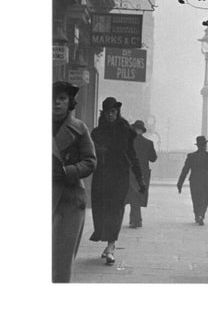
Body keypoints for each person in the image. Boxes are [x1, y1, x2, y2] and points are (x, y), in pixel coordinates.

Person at [90, 97, 146, 265]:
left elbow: (132, 155)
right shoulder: (96, 133)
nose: (110, 115)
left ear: (117, 112)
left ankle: (111, 246)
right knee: (101, 210)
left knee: (115, 210)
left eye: (113, 112)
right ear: (103, 112)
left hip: (119, 176)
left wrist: (140, 178)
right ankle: (107, 241)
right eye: (108, 112)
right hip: (101, 177)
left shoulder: (125, 131)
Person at [52, 81, 96, 283]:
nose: (56, 103)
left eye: (62, 99)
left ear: (70, 102)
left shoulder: (79, 128)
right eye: (52, 99)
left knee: (61, 257)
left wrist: (67, 171)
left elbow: (90, 161)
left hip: (69, 198)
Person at [177, 136, 208, 225]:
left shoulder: (191, 156)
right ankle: (201, 215)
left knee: (196, 199)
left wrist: (180, 183)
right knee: (205, 199)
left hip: (194, 181)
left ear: (197, 146)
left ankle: (197, 215)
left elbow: (185, 170)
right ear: (205, 145)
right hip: (207, 181)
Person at [125, 120, 158, 228]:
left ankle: (135, 219)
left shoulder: (127, 141)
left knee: (132, 194)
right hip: (143, 173)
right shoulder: (148, 143)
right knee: (137, 195)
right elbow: (153, 159)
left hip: (130, 172)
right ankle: (136, 219)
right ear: (142, 131)